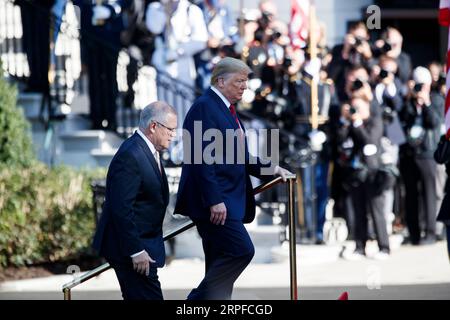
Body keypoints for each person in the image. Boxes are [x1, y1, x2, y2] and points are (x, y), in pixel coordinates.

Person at [175, 57, 292, 300]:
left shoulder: (226, 109)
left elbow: (241, 156)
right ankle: (194, 301)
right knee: (241, 250)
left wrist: (273, 169)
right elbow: (200, 159)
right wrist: (214, 200)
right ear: (220, 81)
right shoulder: (205, 107)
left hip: (226, 201)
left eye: (245, 81)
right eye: (239, 81)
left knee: (220, 264)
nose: (244, 87)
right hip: (216, 204)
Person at [92, 101, 177, 300]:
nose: (173, 135)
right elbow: (121, 209)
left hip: (143, 246)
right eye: (170, 130)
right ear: (154, 126)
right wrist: (136, 250)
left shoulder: (149, 150)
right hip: (131, 250)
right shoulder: (131, 154)